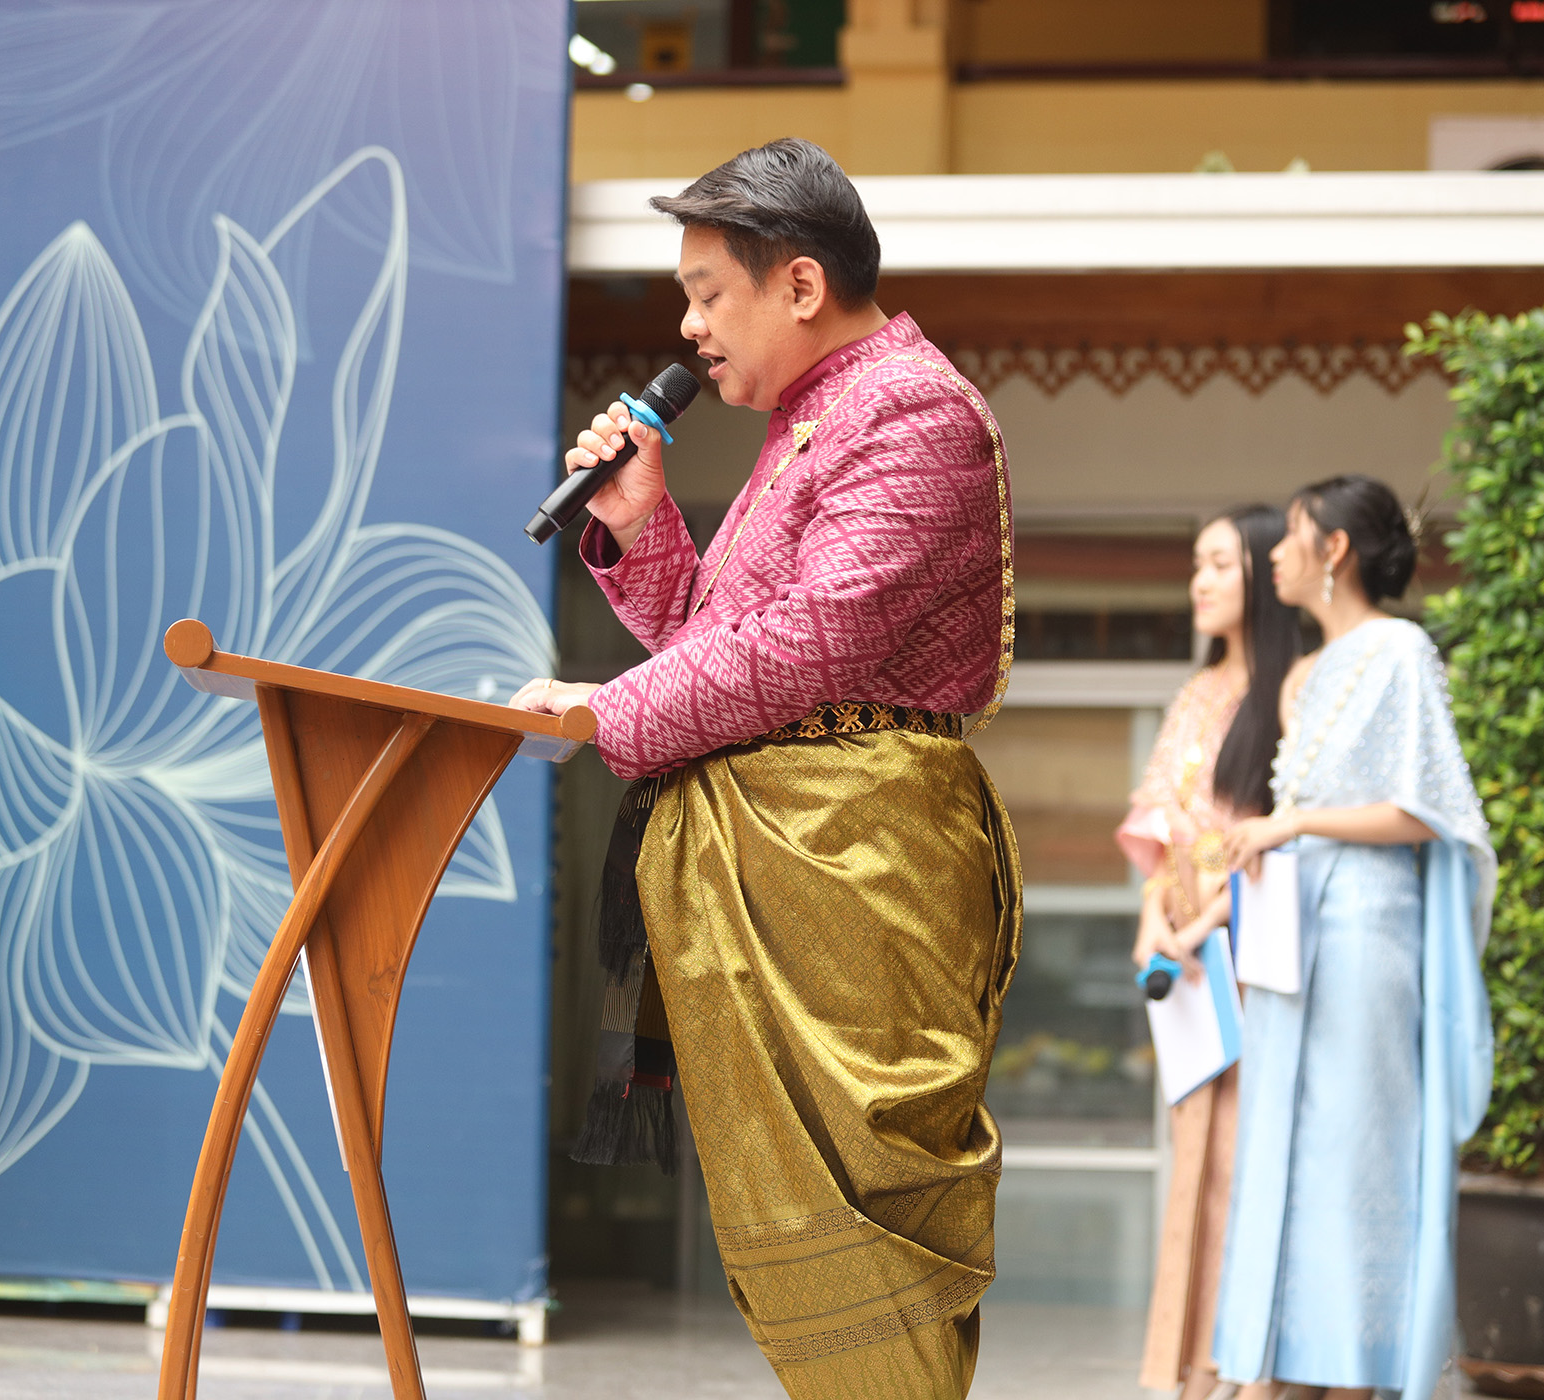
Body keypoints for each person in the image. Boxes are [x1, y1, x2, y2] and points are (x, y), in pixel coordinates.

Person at [509, 138, 1017, 1400]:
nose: (687, 328)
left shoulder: (910, 408)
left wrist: (605, 707)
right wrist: (641, 521)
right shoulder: (817, 419)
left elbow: (811, 646)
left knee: (867, 1219)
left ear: (799, 284)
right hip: (807, 850)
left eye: (705, 293)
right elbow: (729, 646)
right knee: (803, 1232)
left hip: (857, 854)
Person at [1212, 476, 1495, 1400]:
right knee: (1290, 1142)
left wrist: (1292, 825)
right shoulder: (1312, 669)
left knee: (1357, 1141)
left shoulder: (1398, 649)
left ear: (1334, 548)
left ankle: (1362, 1365)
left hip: (1370, 932)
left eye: (1292, 534)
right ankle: (1296, 1358)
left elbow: (1427, 812)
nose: (1275, 553)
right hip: (1298, 930)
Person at [1120, 505, 1296, 1400]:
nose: (1200, 580)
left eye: (1221, 563)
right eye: (1197, 562)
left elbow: (1285, 847)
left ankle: (1252, 1367)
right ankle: (1194, 1369)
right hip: (1193, 970)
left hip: (1257, 962)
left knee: (1248, 1162)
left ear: (1266, 572)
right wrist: (1155, 917)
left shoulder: (1293, 694)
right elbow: (1159, 829)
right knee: (1196, 1161)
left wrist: (1202, 926)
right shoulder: (1194, 694)